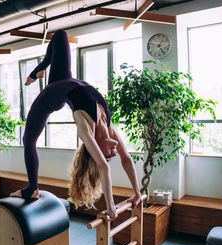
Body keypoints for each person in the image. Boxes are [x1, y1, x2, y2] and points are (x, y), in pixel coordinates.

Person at [10, 29, 141, 221]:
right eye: (112, 154)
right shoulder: (109, 128)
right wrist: (137, 192)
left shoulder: (85, 127)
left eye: (108, 154)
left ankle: (32, 189)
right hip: (64, 79)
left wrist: (110, 207)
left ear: (96, 146)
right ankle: (37, 72)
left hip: (51, 97)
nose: (114, 152)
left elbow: (103, 166)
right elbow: (127, 159)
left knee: (28, 139)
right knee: (60, 35)